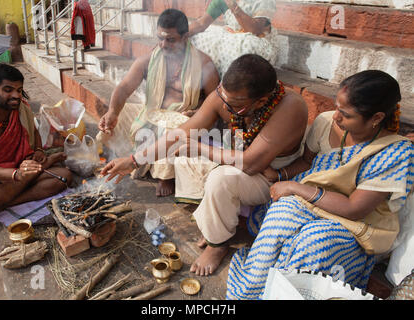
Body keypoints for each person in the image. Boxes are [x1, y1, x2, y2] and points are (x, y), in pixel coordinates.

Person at [100, 54, 308, 276]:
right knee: (186, 153)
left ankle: (218, 244)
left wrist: (199, 148)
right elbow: (180, 134)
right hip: (240, 156)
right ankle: (218, 224)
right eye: (223, 97)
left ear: (261, 101)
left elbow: (251, 164)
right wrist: (133, 161)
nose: (224, 106)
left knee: (220, 179)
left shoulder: (291, 106)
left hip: (271, 174)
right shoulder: (224, 96)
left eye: (234, 105)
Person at [226, 70, 414, 300]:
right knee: (281, 212)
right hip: (316, 204)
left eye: (346, 114)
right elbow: (307, 162)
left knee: (313, 241)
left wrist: (295, 188)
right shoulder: (326, 122)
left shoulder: (396, 153)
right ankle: (250, 292)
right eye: (336, 107)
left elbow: (355, 209)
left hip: (356, 226)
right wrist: (280, 175)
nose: (336, 116)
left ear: (376, 118)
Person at [98, 9, 219, 197]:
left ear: (185, 36)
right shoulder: (148, 60)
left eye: (170, 39)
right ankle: (114, 159)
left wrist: (196, 114)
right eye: (159, 38)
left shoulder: (204, 64)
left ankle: (166, 177)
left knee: (174, 129)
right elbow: (123, 88)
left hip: (182, 119)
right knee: (119, 115)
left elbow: (215, 104)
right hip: (152, 113)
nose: (163, 45)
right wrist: (113, 111)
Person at [0, 63, 72, 228]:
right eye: (8, 90)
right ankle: (35, 173)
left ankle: (1, 206)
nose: (16, 95)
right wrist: (15, 174)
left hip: (22, 168)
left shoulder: (21, 108)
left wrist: (37, 150)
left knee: (64, 177)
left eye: (19, 90)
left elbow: (34, 132)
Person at [188, 0, 277, 78]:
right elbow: (201, 23)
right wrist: (182, 33)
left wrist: (232, 5)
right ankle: (210, 78)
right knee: (198, 37)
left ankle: (233, 85)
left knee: (244, 47)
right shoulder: (220, 1)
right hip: (233, 38)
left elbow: (254, 30)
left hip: (258, 42)